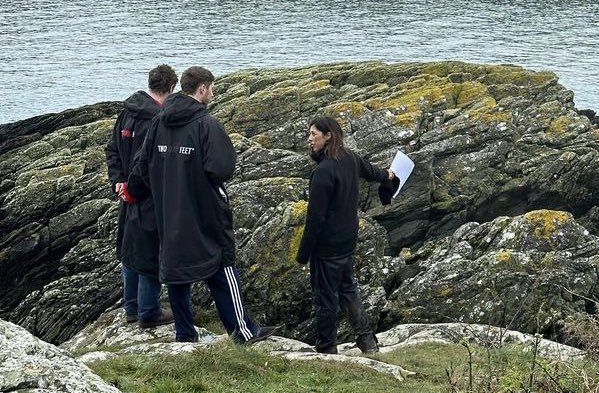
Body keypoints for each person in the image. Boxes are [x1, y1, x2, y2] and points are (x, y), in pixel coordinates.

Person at [130, 65, 274, 345]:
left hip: (169, 213)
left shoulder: (159, 122)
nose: (213, 94)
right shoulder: (206, 124)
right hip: (204, 212)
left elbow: (141, 167)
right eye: (212, 89)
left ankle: (185, 334)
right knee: (222, 267)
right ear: (203, 88)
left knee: (177, 273)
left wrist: (160, 189)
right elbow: (221, 168)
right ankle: (243, 332)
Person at [295, 115, 398, 355]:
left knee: (325, 298)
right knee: (348, 290)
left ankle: (326, 349)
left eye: (313, 134)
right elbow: (373, 172)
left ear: (328, 136)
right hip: (347, 241)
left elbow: (315, 218)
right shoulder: (350, 158)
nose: (309, 139)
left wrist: (303, 255)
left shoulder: (323, 172)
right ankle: (367, 342)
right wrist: (389, 175)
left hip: (327, 247)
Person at [105, 63, 178, 328]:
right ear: (171, 87)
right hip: (146, 195)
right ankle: (148, 311)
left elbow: (112, 149)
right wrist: (132, 188)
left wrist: (118, 181)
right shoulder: (157, 120)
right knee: (148, 252)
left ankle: (132, 307)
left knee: (129, 249)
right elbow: (147, 164)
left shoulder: (127, 112)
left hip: (127, 193)